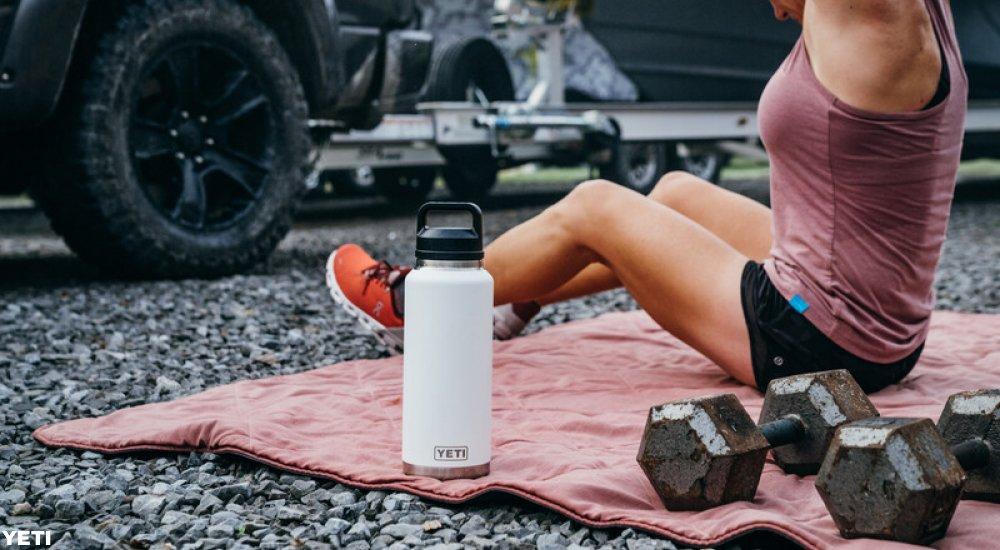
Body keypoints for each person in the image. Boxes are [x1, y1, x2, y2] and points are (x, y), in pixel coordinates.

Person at [326, 0, 967, 393]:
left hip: (816, 341)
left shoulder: (873, 12)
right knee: (674, 193)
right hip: (881, 330)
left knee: (595, 206)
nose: (772, 12)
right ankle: (503, 308)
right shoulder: (918, 19)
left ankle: (415, 304)